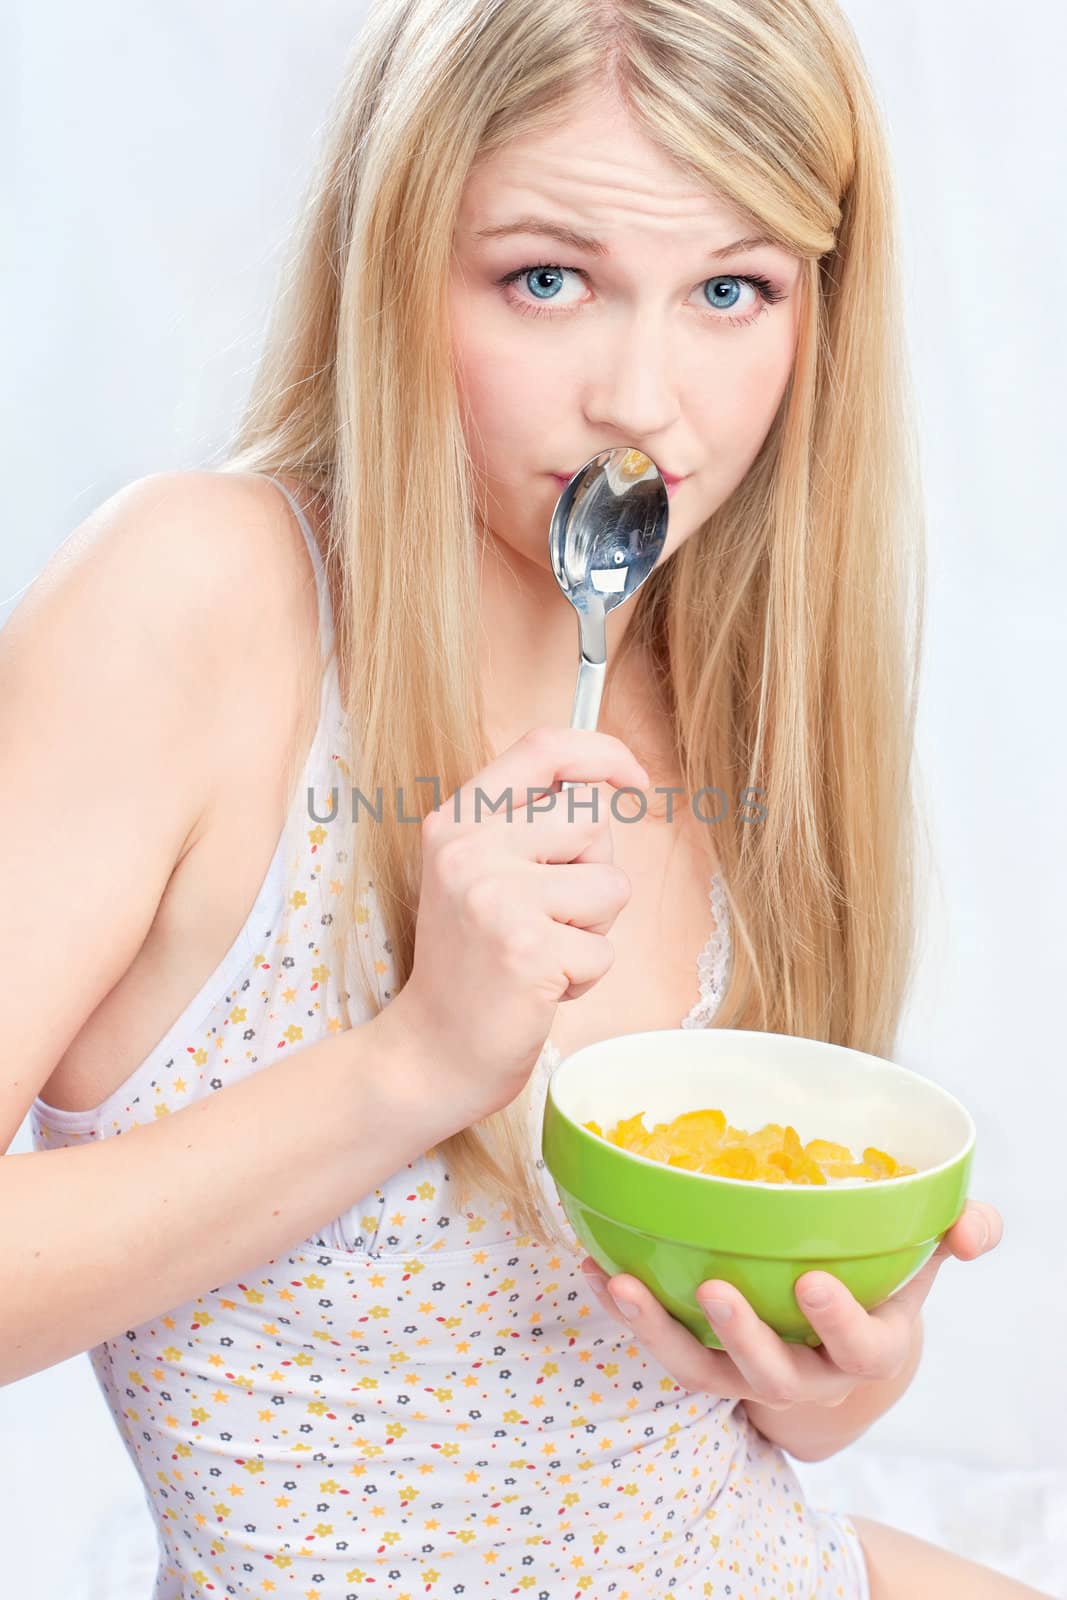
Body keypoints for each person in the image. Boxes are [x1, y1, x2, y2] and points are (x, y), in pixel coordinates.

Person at [0, 1, 1048, 1596]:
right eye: (547, 280)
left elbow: (670, 1448)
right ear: (398, 260)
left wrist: (834, 1381)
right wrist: (411, 1063)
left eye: (731, 290)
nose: (642, 397)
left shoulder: (725, 665)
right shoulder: (206, 603)